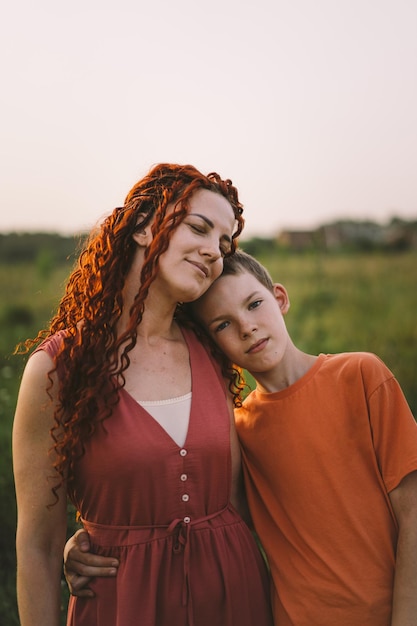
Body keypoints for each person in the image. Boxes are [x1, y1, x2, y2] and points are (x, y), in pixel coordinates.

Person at [66, 249, 417, 626]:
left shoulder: (360, 376)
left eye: (254, 304)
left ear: (279, 298)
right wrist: (85, 540)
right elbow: (201, 510)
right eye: (223, 325)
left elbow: (412, 513)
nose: (246, 327)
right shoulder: (237, 430)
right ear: (210, 347)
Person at [12, 166, 273, 626]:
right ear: (142, 225)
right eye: (198, 227)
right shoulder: (57, 370)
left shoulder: (214, 350)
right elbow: (38, 546)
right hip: (122, 606)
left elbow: (246, 500)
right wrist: (94, 538)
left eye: (225, 243)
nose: (214, 251)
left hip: (236, 599)